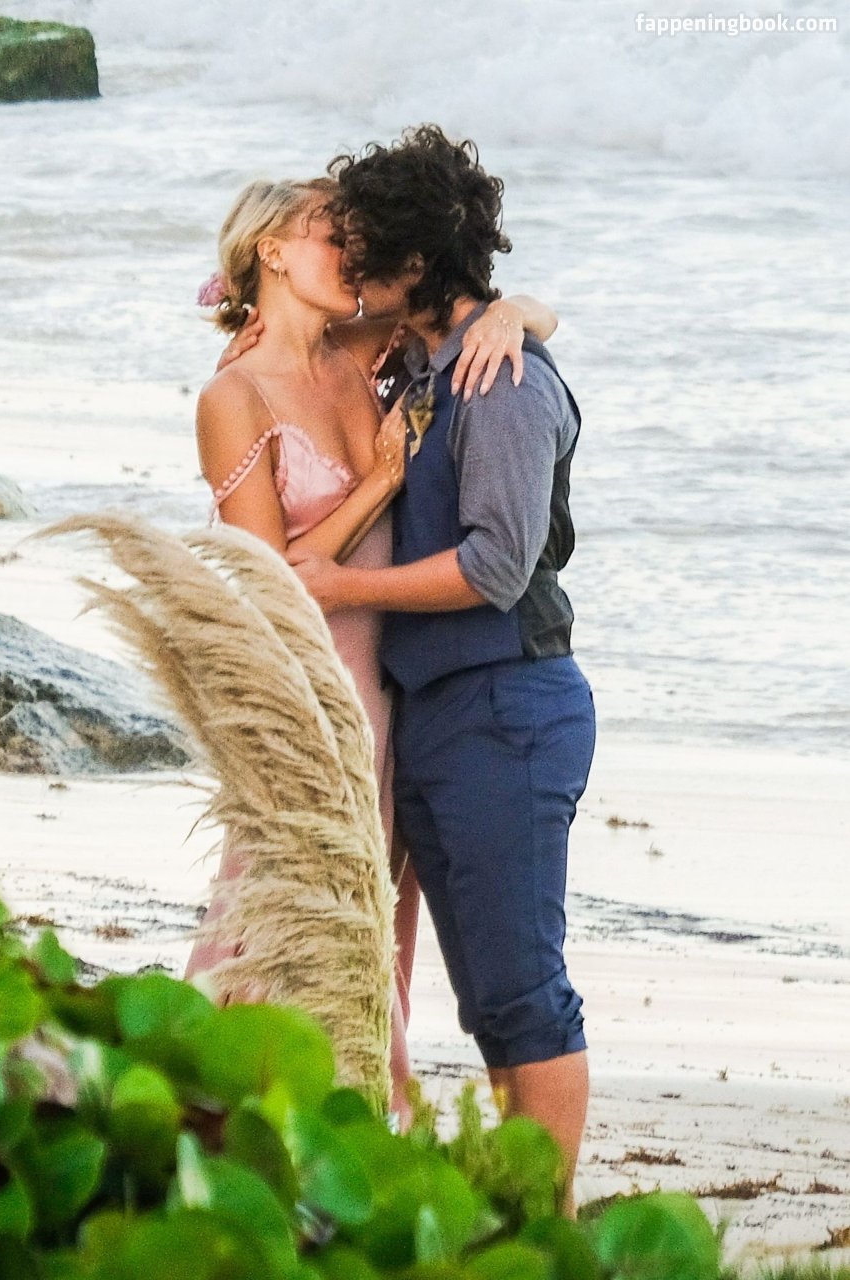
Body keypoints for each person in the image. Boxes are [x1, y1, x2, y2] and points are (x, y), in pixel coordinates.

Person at [185, 174, 560, 1126]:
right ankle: (224, 1123)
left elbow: (482, 305)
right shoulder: (232, 393)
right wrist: (380, 482)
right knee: (280, 905)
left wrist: (510, 313)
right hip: (306, 692)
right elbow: (274, 574)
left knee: (366, 930)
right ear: (271, 251)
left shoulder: (366, 354)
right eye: (330, 235)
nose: (352, 255)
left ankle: (350, 1125)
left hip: (391, 699)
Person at [293, 126, 595, 1213]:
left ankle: (547, 1225)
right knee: (487, 1001)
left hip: (508, 706)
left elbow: (496, 567)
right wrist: (524, 305)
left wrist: (344, 586)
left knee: (521, 994)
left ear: (415, 263)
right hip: (442, 711)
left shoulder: (498, 380)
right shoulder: (428, 356)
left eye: (364, 249)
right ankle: (520, 1216)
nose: (350, 267)